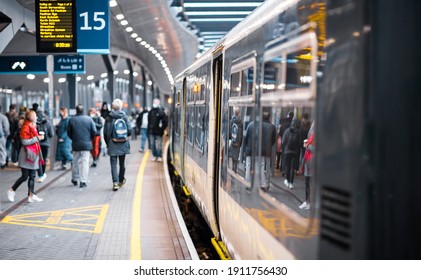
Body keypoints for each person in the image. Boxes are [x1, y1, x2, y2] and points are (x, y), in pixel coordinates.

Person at [7, 110, 44, 203]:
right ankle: (11, 190)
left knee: (32, 176)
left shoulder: (33, 126)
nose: (36, 117)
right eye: (34, 116)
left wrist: (38, 137)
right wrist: (37, 138)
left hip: (33, 153)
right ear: (31, 117)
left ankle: (31, 195)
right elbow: (25, 142)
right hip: (26, 155)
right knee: (24, 176)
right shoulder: (25, 127)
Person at [103, 99, 131, 191]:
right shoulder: (125, 117)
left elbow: (106, 133)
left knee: (113, 164)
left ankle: (115, 183)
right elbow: (130, 131)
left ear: (112, 107)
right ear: (121, 107)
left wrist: (108, 144)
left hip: (112, 143)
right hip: (123, 142)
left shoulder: (108, 118)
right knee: (122, 163)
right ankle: (121, 180)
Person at [67, 104, 97, 188]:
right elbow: (94, 131)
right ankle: (83, 181)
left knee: (75, 161)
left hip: (76, 143)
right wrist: (89, 139)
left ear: (76, 110)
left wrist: (74, 138)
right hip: (86, 144)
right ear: (84, 110)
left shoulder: (72, 120)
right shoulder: (89, 119)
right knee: (85, 162)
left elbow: (69, 132)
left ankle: (75, 179)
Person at [299, 121, 315, 210]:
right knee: (307, 183)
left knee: (310, 183)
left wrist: (307, 146)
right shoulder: (312, 136)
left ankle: (309, 202)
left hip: (311, 161)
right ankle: (307, 201)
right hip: (308, 160)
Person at [36, 110, 54, 182]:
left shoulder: (35, 123)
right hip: (45, 144)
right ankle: (43, 173)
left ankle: (40, 174)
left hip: (37, 144)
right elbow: (51, 134)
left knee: (37, 160)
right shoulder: (48, 122)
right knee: (44, 159)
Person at [282, 118, 300, 189]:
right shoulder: (297, 132)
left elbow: (283, 142)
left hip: (287, 152)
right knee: (292, 167)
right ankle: (291, 183)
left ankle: (287, 180)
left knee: (287, 166)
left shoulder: (287, 131)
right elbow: (299, 143)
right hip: (294, 152)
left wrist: (284, 149)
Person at [228, 107, 243, 173]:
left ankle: (231, 168)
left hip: (232, 140)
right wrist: (240, 143)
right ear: (239, 113)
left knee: (231, 154)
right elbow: (241, 134)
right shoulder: (240, 123)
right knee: (236, 156)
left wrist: (230, 139)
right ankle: (235, 169)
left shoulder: (231, 121)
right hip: (238, 142)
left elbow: (229, 131)